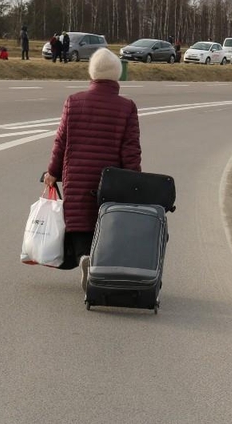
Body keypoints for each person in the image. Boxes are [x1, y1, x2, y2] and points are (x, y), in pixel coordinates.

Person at [44, 49, 142, 291]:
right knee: (105, 220)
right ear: (117, 75)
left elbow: (61, 141)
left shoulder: (73, 102)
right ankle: (98, 264)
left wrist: (52, 172)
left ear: (92, 73)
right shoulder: (127, 107)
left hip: (77, 176)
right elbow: (131, 151)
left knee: (79, 221)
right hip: (111, 180)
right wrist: (134, 183)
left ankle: (83, 258)